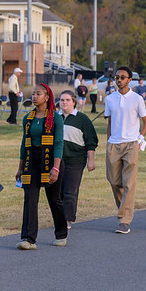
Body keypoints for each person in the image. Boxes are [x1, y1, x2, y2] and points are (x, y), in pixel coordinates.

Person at [16, 84, 67, 249]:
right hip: (32, 161)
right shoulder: (28, 118)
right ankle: (28, 239)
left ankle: (61, 233)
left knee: (54, 199)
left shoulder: (55, 118)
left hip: (51, 161)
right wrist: (20, 168)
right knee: (30, 199)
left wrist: (56, 168)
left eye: (38, 94)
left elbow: (59, 143)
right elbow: (24, 144)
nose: (34, 96)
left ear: (47, 97)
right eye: (33, 94)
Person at [104, 67, 146, 234]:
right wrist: (108, 141)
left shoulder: (137, 99)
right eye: (117, 77)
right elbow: (109, 122)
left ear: (130, 80)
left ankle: (124, 219)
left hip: (131, 143)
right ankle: (123, 210)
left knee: (129, 183)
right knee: (115, 181)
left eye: (123, 77)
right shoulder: (109, 99)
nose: (119, 80)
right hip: (113, 144)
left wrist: (140, 139)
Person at [58, 90, 98, 229]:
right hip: (57, 161)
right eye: (62, 100)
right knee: (58, 191)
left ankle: (67, 219)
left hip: (75, 160)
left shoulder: (82, 119)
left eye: (67, 100)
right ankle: (59, 218)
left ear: (74, 102)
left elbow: (91, 140)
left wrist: (90, 160)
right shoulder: (55, 118)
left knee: (70, 191)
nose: (64, 102)